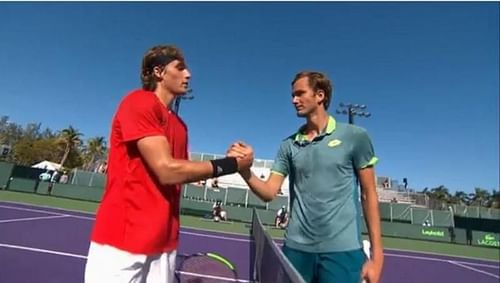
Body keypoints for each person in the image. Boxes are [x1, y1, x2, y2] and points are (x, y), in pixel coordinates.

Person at [84, 45, 253, 283]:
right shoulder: (138, 101)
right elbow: (167, 170)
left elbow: (182, 172)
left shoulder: (181, 127)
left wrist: (234, 163)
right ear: (159, 72)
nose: (189, 74)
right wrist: (231, 164)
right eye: (180, 68)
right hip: (122, 241)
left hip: (165, 243)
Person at [228, 71, 384, 283]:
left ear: (320, 95)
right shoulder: (287, 146)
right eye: (293, 95)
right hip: (295, 251)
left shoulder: (355, 137)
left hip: (343, 252)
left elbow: (368, 194)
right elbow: (268, 192)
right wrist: (244, 171)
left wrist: (377, 256)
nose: (294, 100)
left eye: (300, 93)